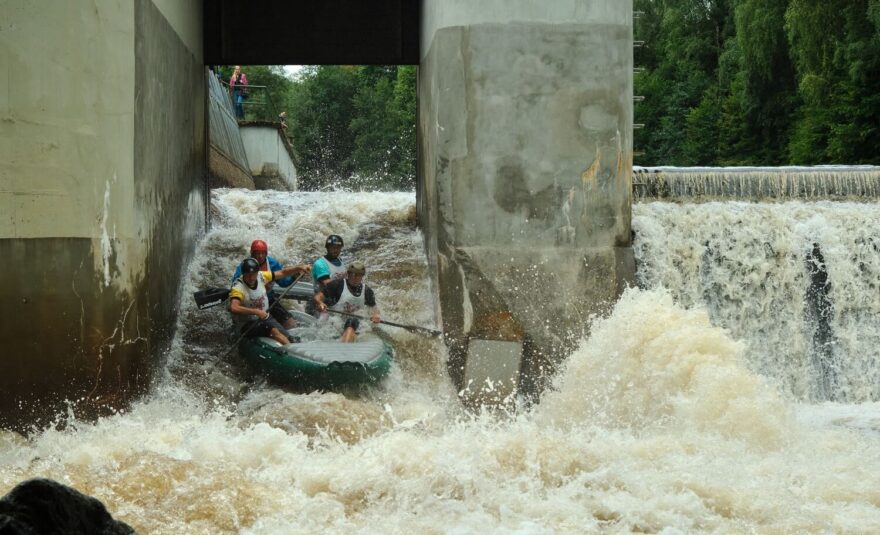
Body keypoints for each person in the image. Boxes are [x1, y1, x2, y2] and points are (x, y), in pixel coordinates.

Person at [231, 239, 309, 329]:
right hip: (249, 303)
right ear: (252, 254)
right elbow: (236, 286)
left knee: (291, 324)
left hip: (269, 299)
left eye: (263, 253)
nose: (260, 256)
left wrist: (294, 276)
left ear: (266, 253)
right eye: (257, 253)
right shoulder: (244, 267)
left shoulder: (272, 264)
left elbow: (283, 282)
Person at [229, 258, 307, 345]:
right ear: (243, 274)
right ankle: (291, 352)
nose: (251, 278)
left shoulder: (261, 276)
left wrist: (299, 268)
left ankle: (297, 347)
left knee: (290, 337)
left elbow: (282, 273)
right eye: (248, 275)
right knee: (274, 331)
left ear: (257, 272)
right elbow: (234, 307)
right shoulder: (238, 288)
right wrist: (256, 312)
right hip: (248, 323)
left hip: (265, 317)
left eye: (253, 274)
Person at [314, 260, 380, 343]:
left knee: (352, 321)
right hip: (336, 321)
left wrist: (375, 315)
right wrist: (320, 303)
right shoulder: (336, 284)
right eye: (353, 274)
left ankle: (347, 342)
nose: (356, 278)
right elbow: (318, 297)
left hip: (355, 323)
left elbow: (374, 310)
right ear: (348, 274)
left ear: (362, 276)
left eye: (359, 275)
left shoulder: (367, 291)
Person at [308, 234, 348, 316]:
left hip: (336, 300)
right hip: (321, 302)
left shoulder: (340, 261)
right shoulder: (320, 264)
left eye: (338, 248)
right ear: (327, 248)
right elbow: (327, 284)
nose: (335, 250)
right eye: (333, 248)